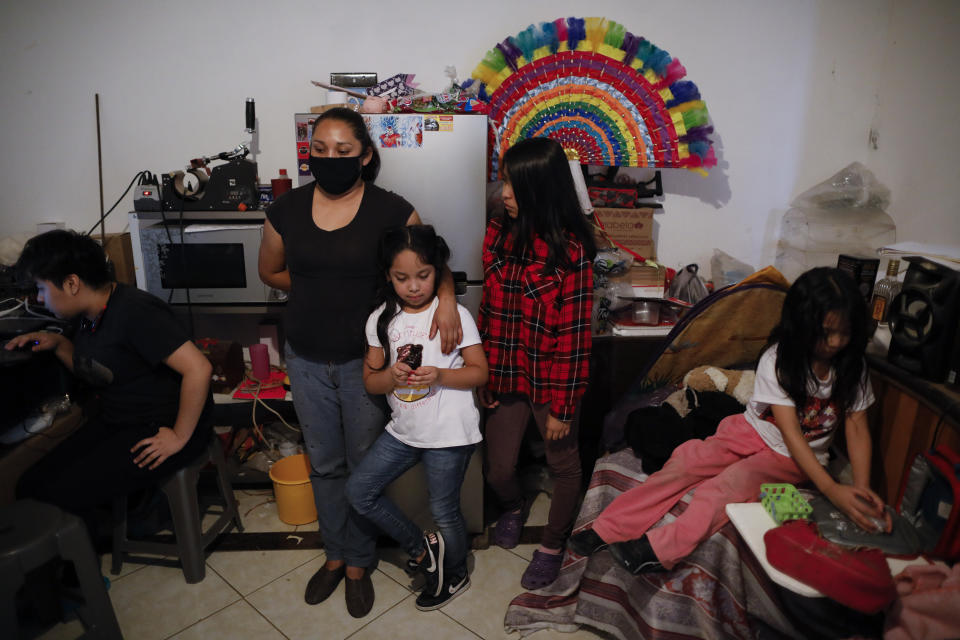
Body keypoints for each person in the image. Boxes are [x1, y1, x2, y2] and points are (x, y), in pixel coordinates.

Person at [258, 107, 462, 618]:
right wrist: (317, 291)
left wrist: (449, 300)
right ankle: (334, 556)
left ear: (365, 155)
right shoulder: (286, 210)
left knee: (361, 466)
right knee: (324, 464)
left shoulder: (391, 210)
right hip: (305, 358)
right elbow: (271, 270)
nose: (330, 159)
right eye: (319, 150)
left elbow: (433, 263)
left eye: (343, 151)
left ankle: (358, 563)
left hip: (366, 364)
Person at [569, 267, 892, 573]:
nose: (836, 343)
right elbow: (789, 428)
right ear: (802, 325)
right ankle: (606, 529)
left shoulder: (852, 368)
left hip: (790, 458)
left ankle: (658, 551)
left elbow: (856, 426)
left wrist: (859, 489)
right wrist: (832, 490)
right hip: (749, 431)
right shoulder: (778, 359)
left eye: (844, 333)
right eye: (826, 333)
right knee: (683, 463)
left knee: (725, 487)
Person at [7, 229, 214, 541]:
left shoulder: (135, 311)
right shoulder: (89, 315)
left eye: (41, 288)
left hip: (162, 426)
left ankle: (80, 577)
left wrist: (178, 436)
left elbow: (199, 368)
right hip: (120, 419)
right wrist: (59, 344)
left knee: (59, 493)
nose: (38, 298)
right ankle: (81, 558)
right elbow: (97, 367)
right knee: (29, 485)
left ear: (72, 283)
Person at [345, 225, 488, 611]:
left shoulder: (453, 314)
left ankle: (454, 573)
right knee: (359, 491)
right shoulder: (381, 319)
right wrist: (389, 377)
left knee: (444, 510)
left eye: (423, 276)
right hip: (404, 432)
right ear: (388, 276)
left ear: (436, 271)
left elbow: (479, 372)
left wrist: (441, 375)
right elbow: (371, 382)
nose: (413, 286)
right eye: (401, 278)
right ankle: (424, 551)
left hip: (448, 435)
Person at [478, 136, 596, 590]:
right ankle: (513, 506)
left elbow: (573, 338)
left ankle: (552, 544)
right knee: (499, 469)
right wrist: (484, 371)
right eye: (504, 181)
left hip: (552, 379)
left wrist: (564, 408)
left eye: (514, 184)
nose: (504, 192)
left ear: (542, 189)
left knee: (564, 465)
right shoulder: (496, 230)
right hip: (505, 372)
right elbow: (488, 307)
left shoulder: (572, 251)